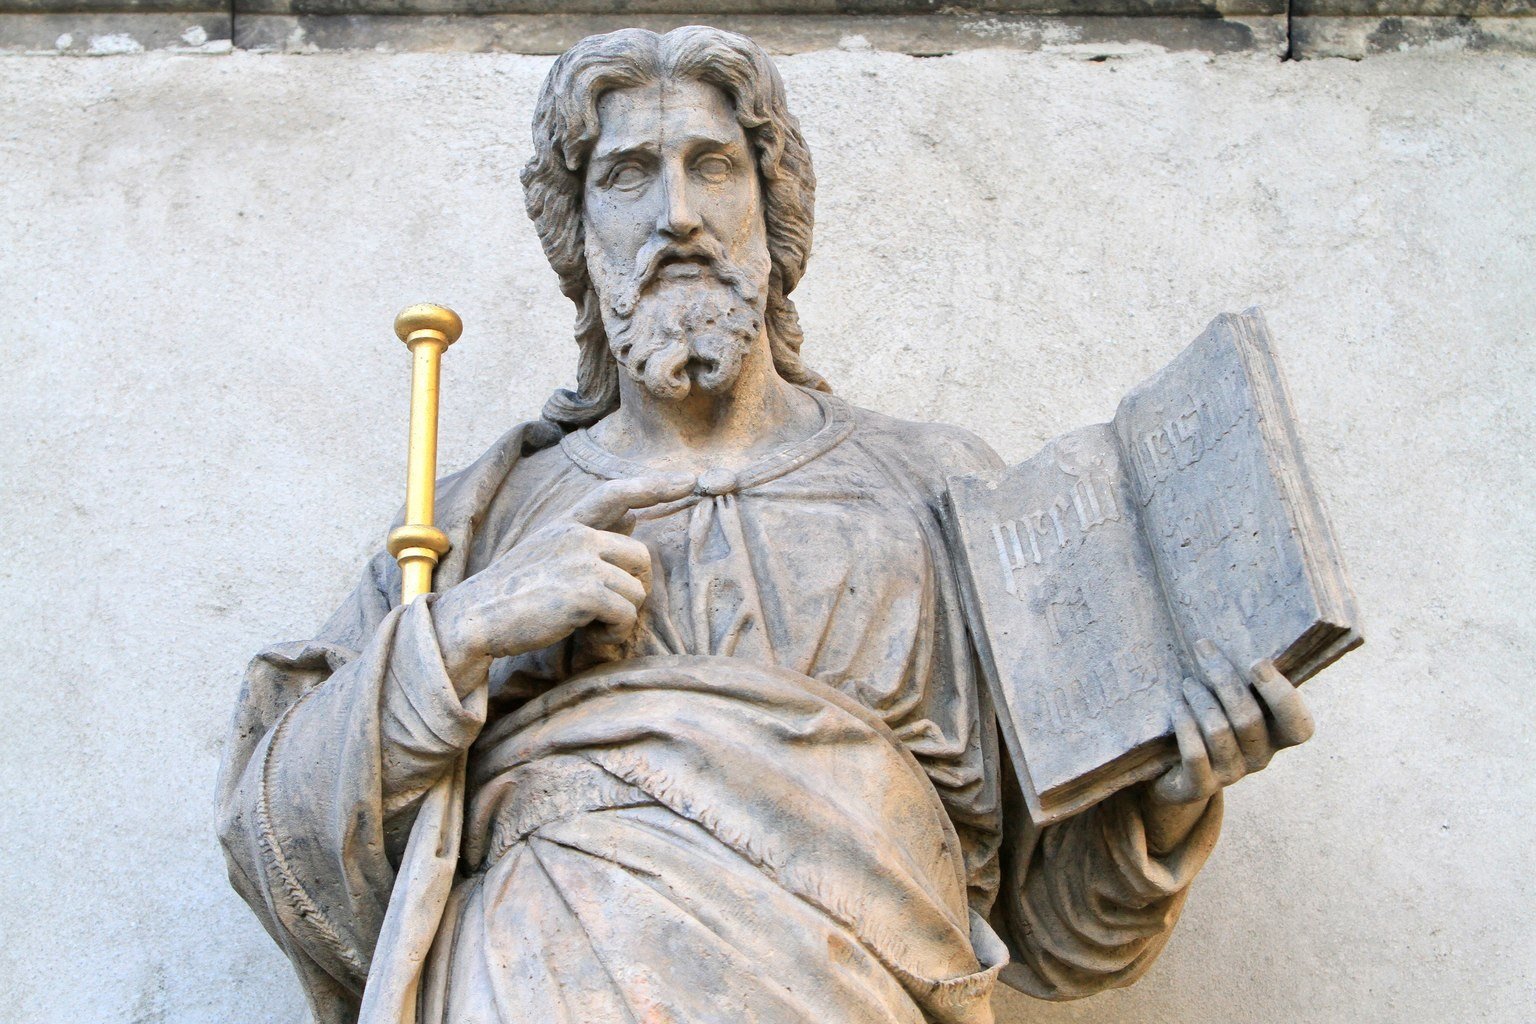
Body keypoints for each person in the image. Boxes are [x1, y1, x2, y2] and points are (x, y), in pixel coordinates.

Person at [218, 26, 1314, 1024]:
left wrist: (1166, 804)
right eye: (626, 176)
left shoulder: (934, 491)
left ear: (774, 209)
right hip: (537, 980)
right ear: (578, 235)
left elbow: (1061, 930)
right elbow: (277, 837)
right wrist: (461, 635)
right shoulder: (482, 517)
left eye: (714, 166)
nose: (677, 215)